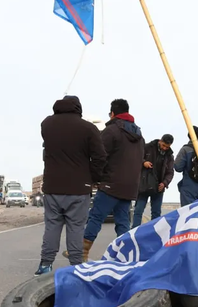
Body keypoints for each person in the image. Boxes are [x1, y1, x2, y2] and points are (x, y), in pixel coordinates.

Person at [36, 95, 107, 276]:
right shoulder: (88, 128)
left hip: (52, 186)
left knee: (52, 226)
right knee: (76, 227)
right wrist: (93, 178)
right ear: (78, 108)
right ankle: (77, 267)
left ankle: (45, 265)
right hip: (78, 187)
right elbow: (100, 157)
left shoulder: (47, 124)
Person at [81, 99, 144, 261]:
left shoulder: (112, 130)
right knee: (123, 222)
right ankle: (126, 256)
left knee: (96, 217)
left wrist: (95, 177)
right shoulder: (138, 134)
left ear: (113, 113)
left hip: (110, 184)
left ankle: (83, 252)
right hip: (129, 187)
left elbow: (99, 155)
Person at [132, 134, 174, 228]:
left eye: (167, 147)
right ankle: (134, 232)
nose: (164, 148)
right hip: (144, 185)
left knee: (156, 213)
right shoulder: (147, 147)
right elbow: (136, 158)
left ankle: (154, 234)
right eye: (163, 145)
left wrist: (164, 183)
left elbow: (170, 172)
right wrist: (144, 162)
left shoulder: (169, 156)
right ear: (160, 141)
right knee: (138, 211)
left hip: (158, 187)